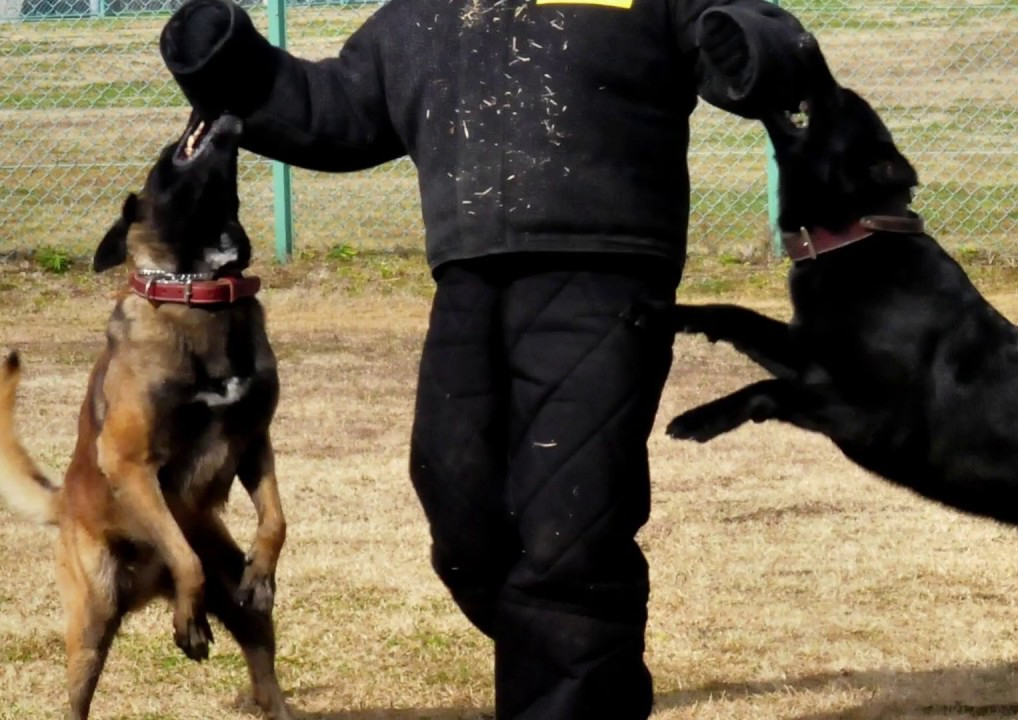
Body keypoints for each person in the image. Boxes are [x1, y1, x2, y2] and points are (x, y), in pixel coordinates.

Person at [157, 1, 825, 717]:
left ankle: (575, 695)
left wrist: (756, 47)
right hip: (470, 278)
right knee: (459, 509)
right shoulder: (432, 11)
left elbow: (756, 42)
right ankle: (581, 670)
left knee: (573, 527)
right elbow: (340, 107)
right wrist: (231, 62)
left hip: (606, 273)